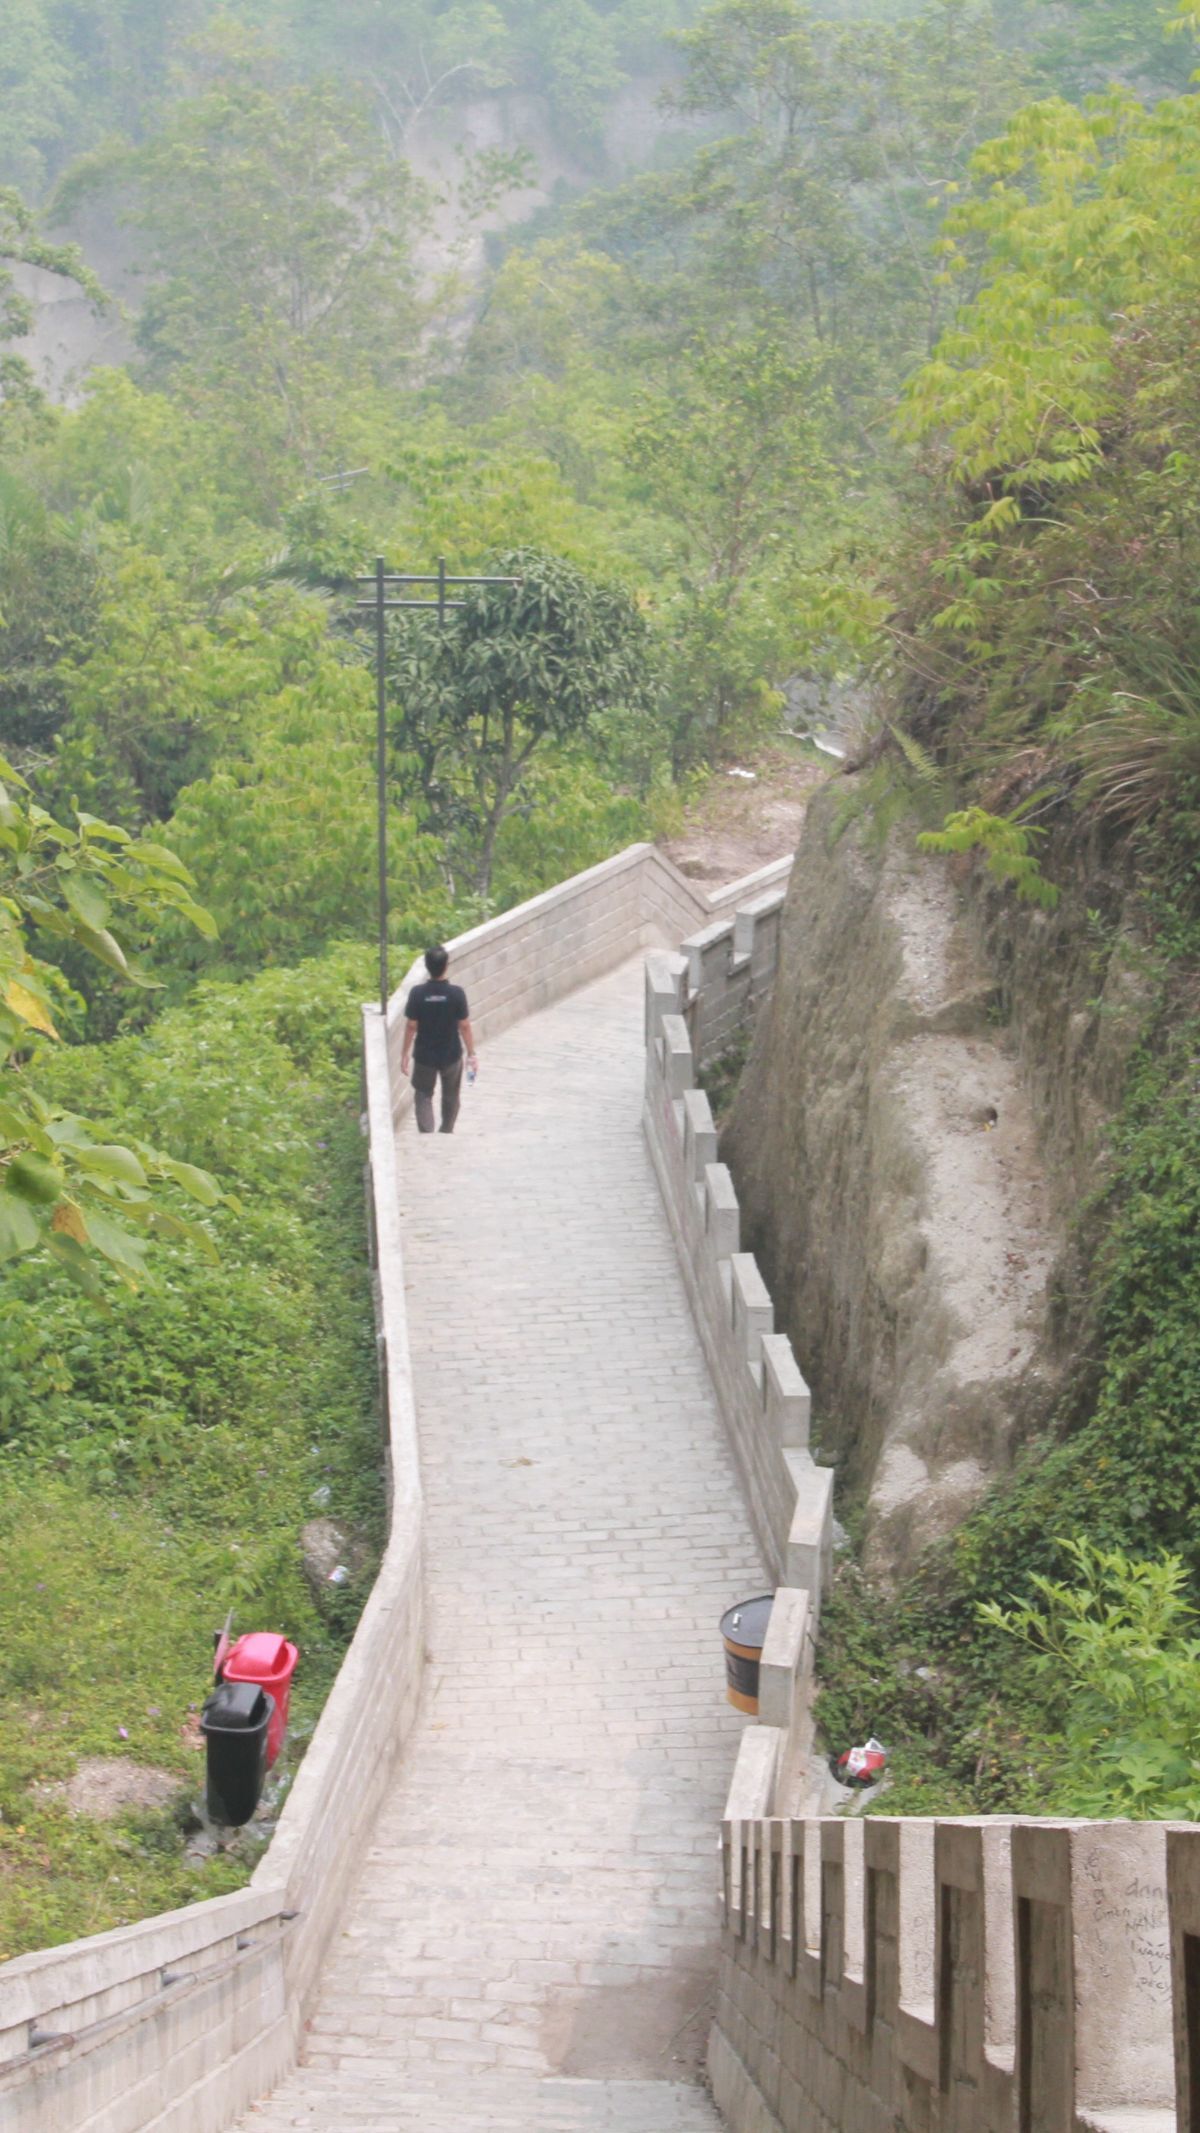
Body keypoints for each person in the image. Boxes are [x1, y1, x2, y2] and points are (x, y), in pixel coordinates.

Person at [400, 945, 478, 1135]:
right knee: (451, 1095)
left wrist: (404, 1054)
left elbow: (411, 1025)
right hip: (451, 1054)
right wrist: (471, 1053)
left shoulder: (417, 993)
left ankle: (427, 1132)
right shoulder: (457, 993)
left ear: (427, 966)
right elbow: (465, 1025)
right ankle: (446, 1130)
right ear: (446, 965)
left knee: (423, 1094)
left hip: (425, 1055)